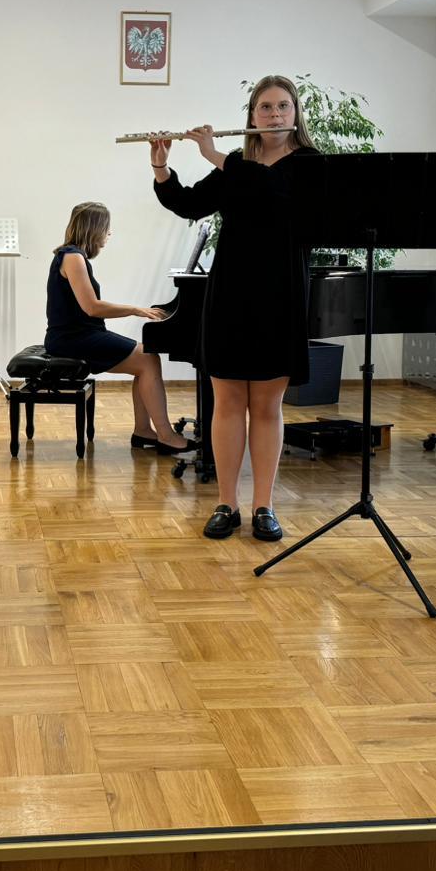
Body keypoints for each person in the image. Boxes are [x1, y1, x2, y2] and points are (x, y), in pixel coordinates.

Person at [151, 74, 319, 542]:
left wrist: (215, 156)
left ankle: (265, 505)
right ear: (252, 115)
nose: (274, 114)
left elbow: (275, 192)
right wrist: (162, 168)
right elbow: (190, 204)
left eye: (282, 106)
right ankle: (227, 503)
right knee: (226, 402)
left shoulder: (308, 163)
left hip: (280, 293)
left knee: (266, 406)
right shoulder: (238, 163)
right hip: (230, 291)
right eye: (265, 107)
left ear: (295, 113)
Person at [45, 202, 195, 455]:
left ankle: (144, 431)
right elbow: (92, 308)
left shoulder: (72, 255)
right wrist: (135, 309)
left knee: (146, 359)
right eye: (106, 227)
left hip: (80, 334)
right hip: (72, 339)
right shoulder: (73, 257)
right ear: (94, 228)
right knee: (147, 360)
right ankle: (165, 435)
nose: (109, 232)